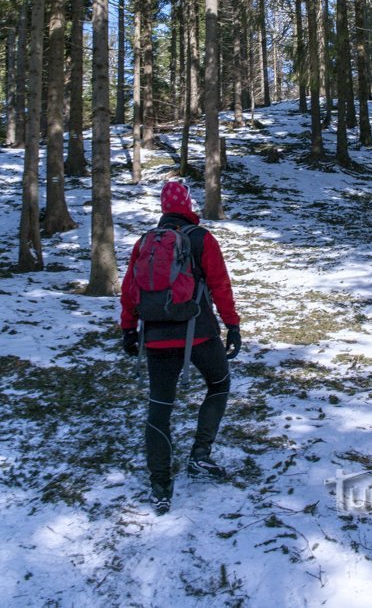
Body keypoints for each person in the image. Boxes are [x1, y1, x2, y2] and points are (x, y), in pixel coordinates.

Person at [120, 180, 241, 514]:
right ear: (189, 205)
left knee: (160, 406)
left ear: (163, 208)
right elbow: (220, 286)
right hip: (199, 334)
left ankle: (160, 484)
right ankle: (200, 455)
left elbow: (130, 288)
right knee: (219, 383)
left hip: (156, 337)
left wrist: (129, 329)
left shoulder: (145, 241)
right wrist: (232, 325)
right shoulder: (202, 239)